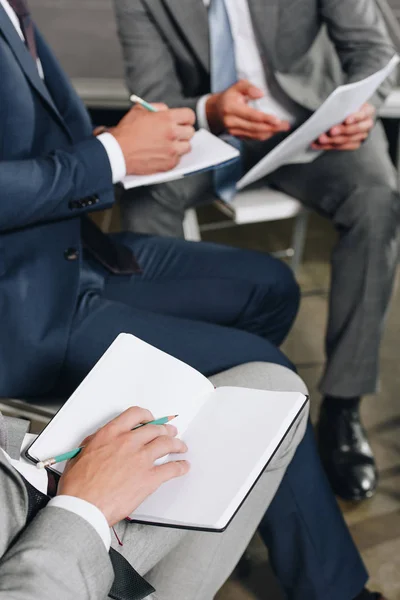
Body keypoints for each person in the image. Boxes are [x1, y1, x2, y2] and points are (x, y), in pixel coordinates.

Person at [0, 1, 386, 597]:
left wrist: (112, 143)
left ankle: (253, 468)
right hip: (27, 303)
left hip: (75, 253)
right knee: (269, 370)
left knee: (271, 288)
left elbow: (41, 137)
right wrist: (113, 156)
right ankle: (329, 586)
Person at [114, 0, 400, 502]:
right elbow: (155, 97)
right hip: (213, 132)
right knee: (145, 194)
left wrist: (364, 105)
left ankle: (342, 404)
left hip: (318, 124)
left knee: (378, 200)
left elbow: (374, 47)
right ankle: (171, 406)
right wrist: (210, 109)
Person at [0, 362, 385, 600]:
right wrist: (84, 506)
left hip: (24, 481)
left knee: (274, 381)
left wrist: (30, 449)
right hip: (47, 557)